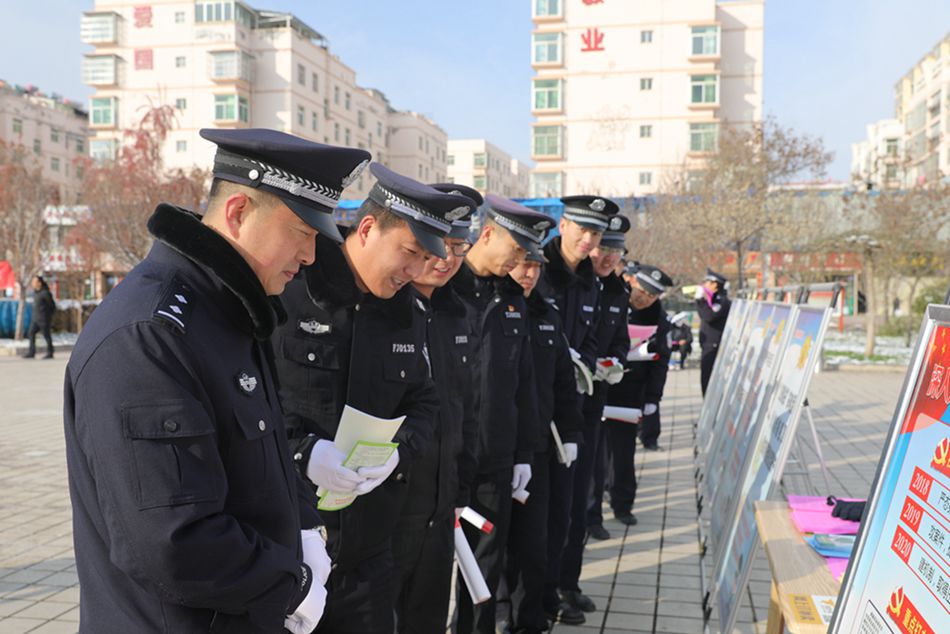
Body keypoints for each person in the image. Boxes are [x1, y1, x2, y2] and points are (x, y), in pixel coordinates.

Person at [63, 128, 371, 633]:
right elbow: (172, 540)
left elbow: (263, 459)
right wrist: (290, 584)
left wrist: (304, 525)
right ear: (238, 213)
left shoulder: (229, 316)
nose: (311, 256)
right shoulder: (151, 334)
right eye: (302, 232)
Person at [273, 163, 470, 634]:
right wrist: (304, 453)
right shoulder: (290, 292)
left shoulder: (407, 314)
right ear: (366, 229)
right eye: (410, 252)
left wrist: (398, 449)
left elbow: (424, 401)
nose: (416, 270)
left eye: (427, 257)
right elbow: (248, 402)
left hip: (369, 553)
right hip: (290, 544)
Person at [449, 194, 546, 634]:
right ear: (487, 234)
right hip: (447, 457)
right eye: (517, 249)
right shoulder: (446, 288)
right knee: (427, 569)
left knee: (484, 568)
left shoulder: (513, 300)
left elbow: (524, 383)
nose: (521, 261)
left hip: (495, 459)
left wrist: (523, 453)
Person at [390, 183, 481, 634]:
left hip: (440, 507)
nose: (447, 258)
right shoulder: (386, 308)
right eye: (439, 245)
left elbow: (466, 407)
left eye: (459, 247)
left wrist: (461, 488)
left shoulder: (457, 313)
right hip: (391, 507)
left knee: (427, 618)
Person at [539, 195, 619, 624]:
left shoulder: (591, 281)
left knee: (572, 507)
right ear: (563, 225)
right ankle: (534, 593)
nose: (588, 240)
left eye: (596, 233)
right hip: (539, 409)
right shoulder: (538, 268)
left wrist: (586, 363)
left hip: (579, 408)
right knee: (541, 511)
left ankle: (564, 584)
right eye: (583, 229)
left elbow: (590, 337)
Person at [505, 245, 584, 634]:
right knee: (492, 546)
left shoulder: (545, 315)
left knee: (536, 543)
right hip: (495, 447)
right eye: (523, 264)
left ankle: (530, 618)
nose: (530, 273)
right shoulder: (492, 308)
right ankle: (498, 613)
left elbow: (564, 383)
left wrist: (570, 434)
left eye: (536, 266)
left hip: (538, 449)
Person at [604, 263, 673, 526]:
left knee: (623, 452)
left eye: (651, 295)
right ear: (632, 281)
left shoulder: (659, 319)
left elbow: (661, 361)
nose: (644, 298)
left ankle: (623, 504)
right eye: (641, 291)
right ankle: (592, 508)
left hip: (630, 392)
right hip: (601, 385)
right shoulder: (612, 300)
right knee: (597, 451)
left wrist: (653, 398)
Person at [585, 215, 632, 542]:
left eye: (616, 252)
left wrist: (616, 361)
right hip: (568, 388)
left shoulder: (618, 292)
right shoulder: (576, 284)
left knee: (596, 459)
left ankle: (593, 516)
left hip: (599, 390)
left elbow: (621, 339)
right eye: (603, 249)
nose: (609, 258)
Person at [696, 268, 732, 395]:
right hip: (709, 345)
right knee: (705, 378)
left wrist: (700, 301)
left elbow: (709, 316)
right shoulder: (714, 299)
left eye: (707, 282)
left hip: (713, 345)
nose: (704, 285)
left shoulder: (721, 301)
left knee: (708, 379)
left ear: (715, 285)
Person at [24, 275, 55, 358]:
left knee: (46, 335)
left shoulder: (45, 293)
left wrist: (48, 316)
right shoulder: (36, 293)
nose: (33, 284)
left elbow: (52, 306)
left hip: (44, 319)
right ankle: (31, 352)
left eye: (34, 282)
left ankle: (50, 352)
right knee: (31, 333)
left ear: (39, 283)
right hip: (35, 319)